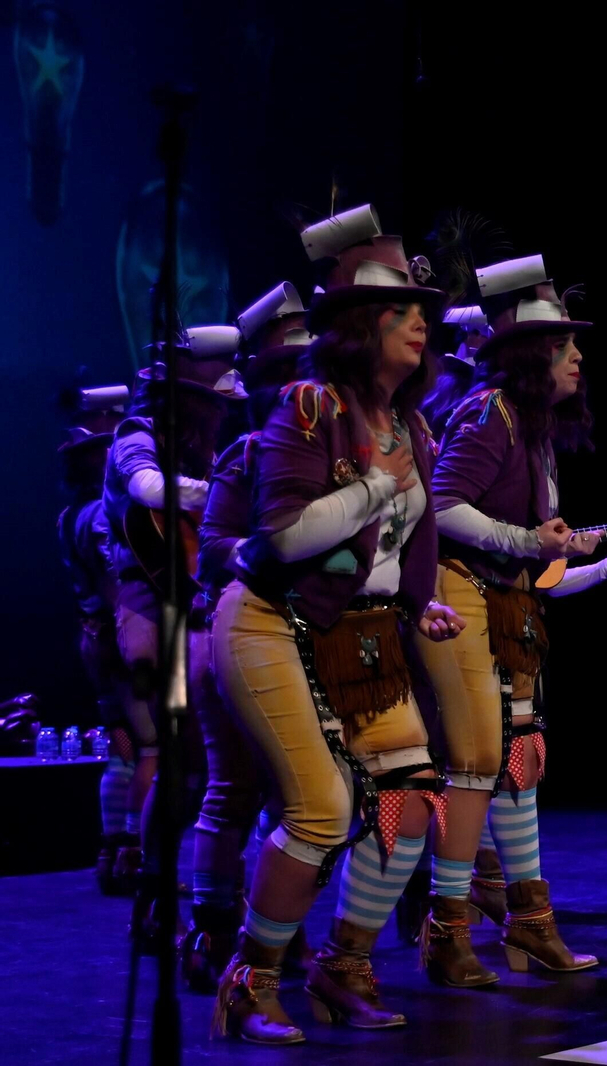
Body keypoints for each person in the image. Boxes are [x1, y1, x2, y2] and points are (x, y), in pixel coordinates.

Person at [212, 205, 461, 1042]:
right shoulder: (311, 406)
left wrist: (413, 597)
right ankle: (253, 977)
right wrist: (374, 488)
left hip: (362, 634)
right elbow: (279, 537)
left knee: (413, 797)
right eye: (404, 309)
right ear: (361, 324)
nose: (422, 321)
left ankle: (344, 963)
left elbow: (402, 539)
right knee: (320, 807)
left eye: (424, 309)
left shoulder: (413, 426)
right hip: (271, 622)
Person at [418, 252, 607, 981]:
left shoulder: (533, 427)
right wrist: (523, 541)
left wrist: (589, 561)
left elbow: (530, 556)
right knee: (477, 765)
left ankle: (530, 923)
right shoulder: (488, 412)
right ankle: (447, 932)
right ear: (536, 355)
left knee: (519, 765)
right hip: (461, 595)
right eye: (567, 346)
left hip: (507, 603)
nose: (579, 358)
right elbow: (442, 508)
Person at [180, 284, 311, 991]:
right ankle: (212, 927)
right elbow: (213, 553)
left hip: (299, 640)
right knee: (233, 787)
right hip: (230, 633)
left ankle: (278, 930)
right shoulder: (249, 456)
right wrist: (272, 550)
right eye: (294, 378)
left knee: (297, 799)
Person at [103, 330, 242, 942]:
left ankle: (190, 891)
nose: (222, 413)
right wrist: (227, 495)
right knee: (180, 760)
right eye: (212, 400)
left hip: (199, 611)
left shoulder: (206, 447)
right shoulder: (136, 437)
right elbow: (148, 490)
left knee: (201, 766)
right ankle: (156, 888)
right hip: (153, 613)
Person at [56, 385, 132, 893]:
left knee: (124, 746)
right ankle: (128, 851)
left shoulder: (68, 515)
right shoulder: (97, 516)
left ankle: (114, 850)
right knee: (139, 746)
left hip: (96, 636)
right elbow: (114, 584)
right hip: (117, 634)